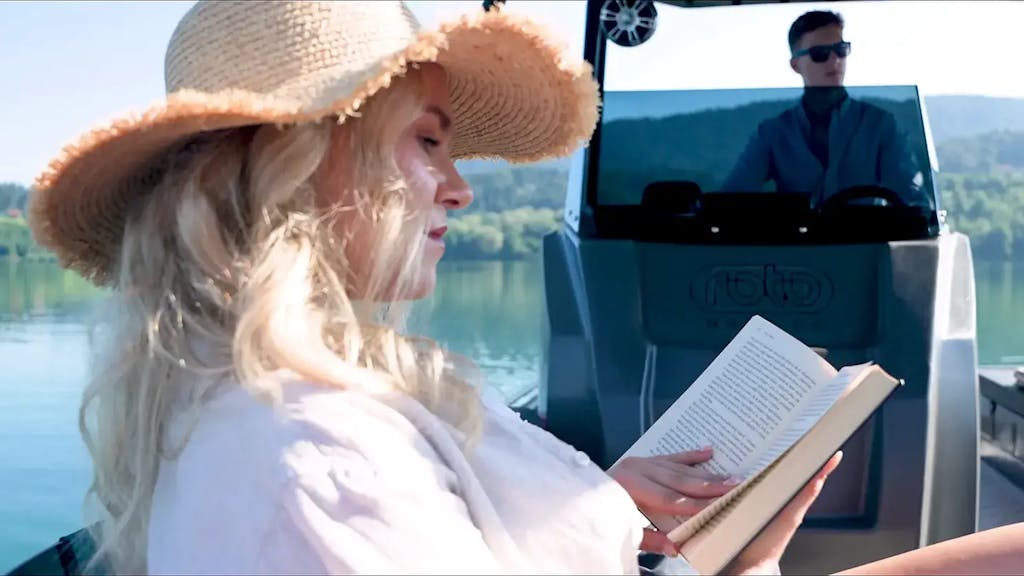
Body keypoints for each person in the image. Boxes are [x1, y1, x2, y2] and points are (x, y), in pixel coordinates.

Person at [25, 1, 1021, 575]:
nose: (460, 186)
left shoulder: (271, 406)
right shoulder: (314, 465)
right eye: (427, 143)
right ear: (298, 164)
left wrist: (602, 500)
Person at [719, 10, 932, 209]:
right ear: (795, 65)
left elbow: (912, 198)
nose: (835, 60)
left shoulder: (881, 124)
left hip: (864, 237)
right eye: (820, 53)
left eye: (841, 50)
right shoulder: (772, 132)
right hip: (798, 237)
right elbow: (732, 196)